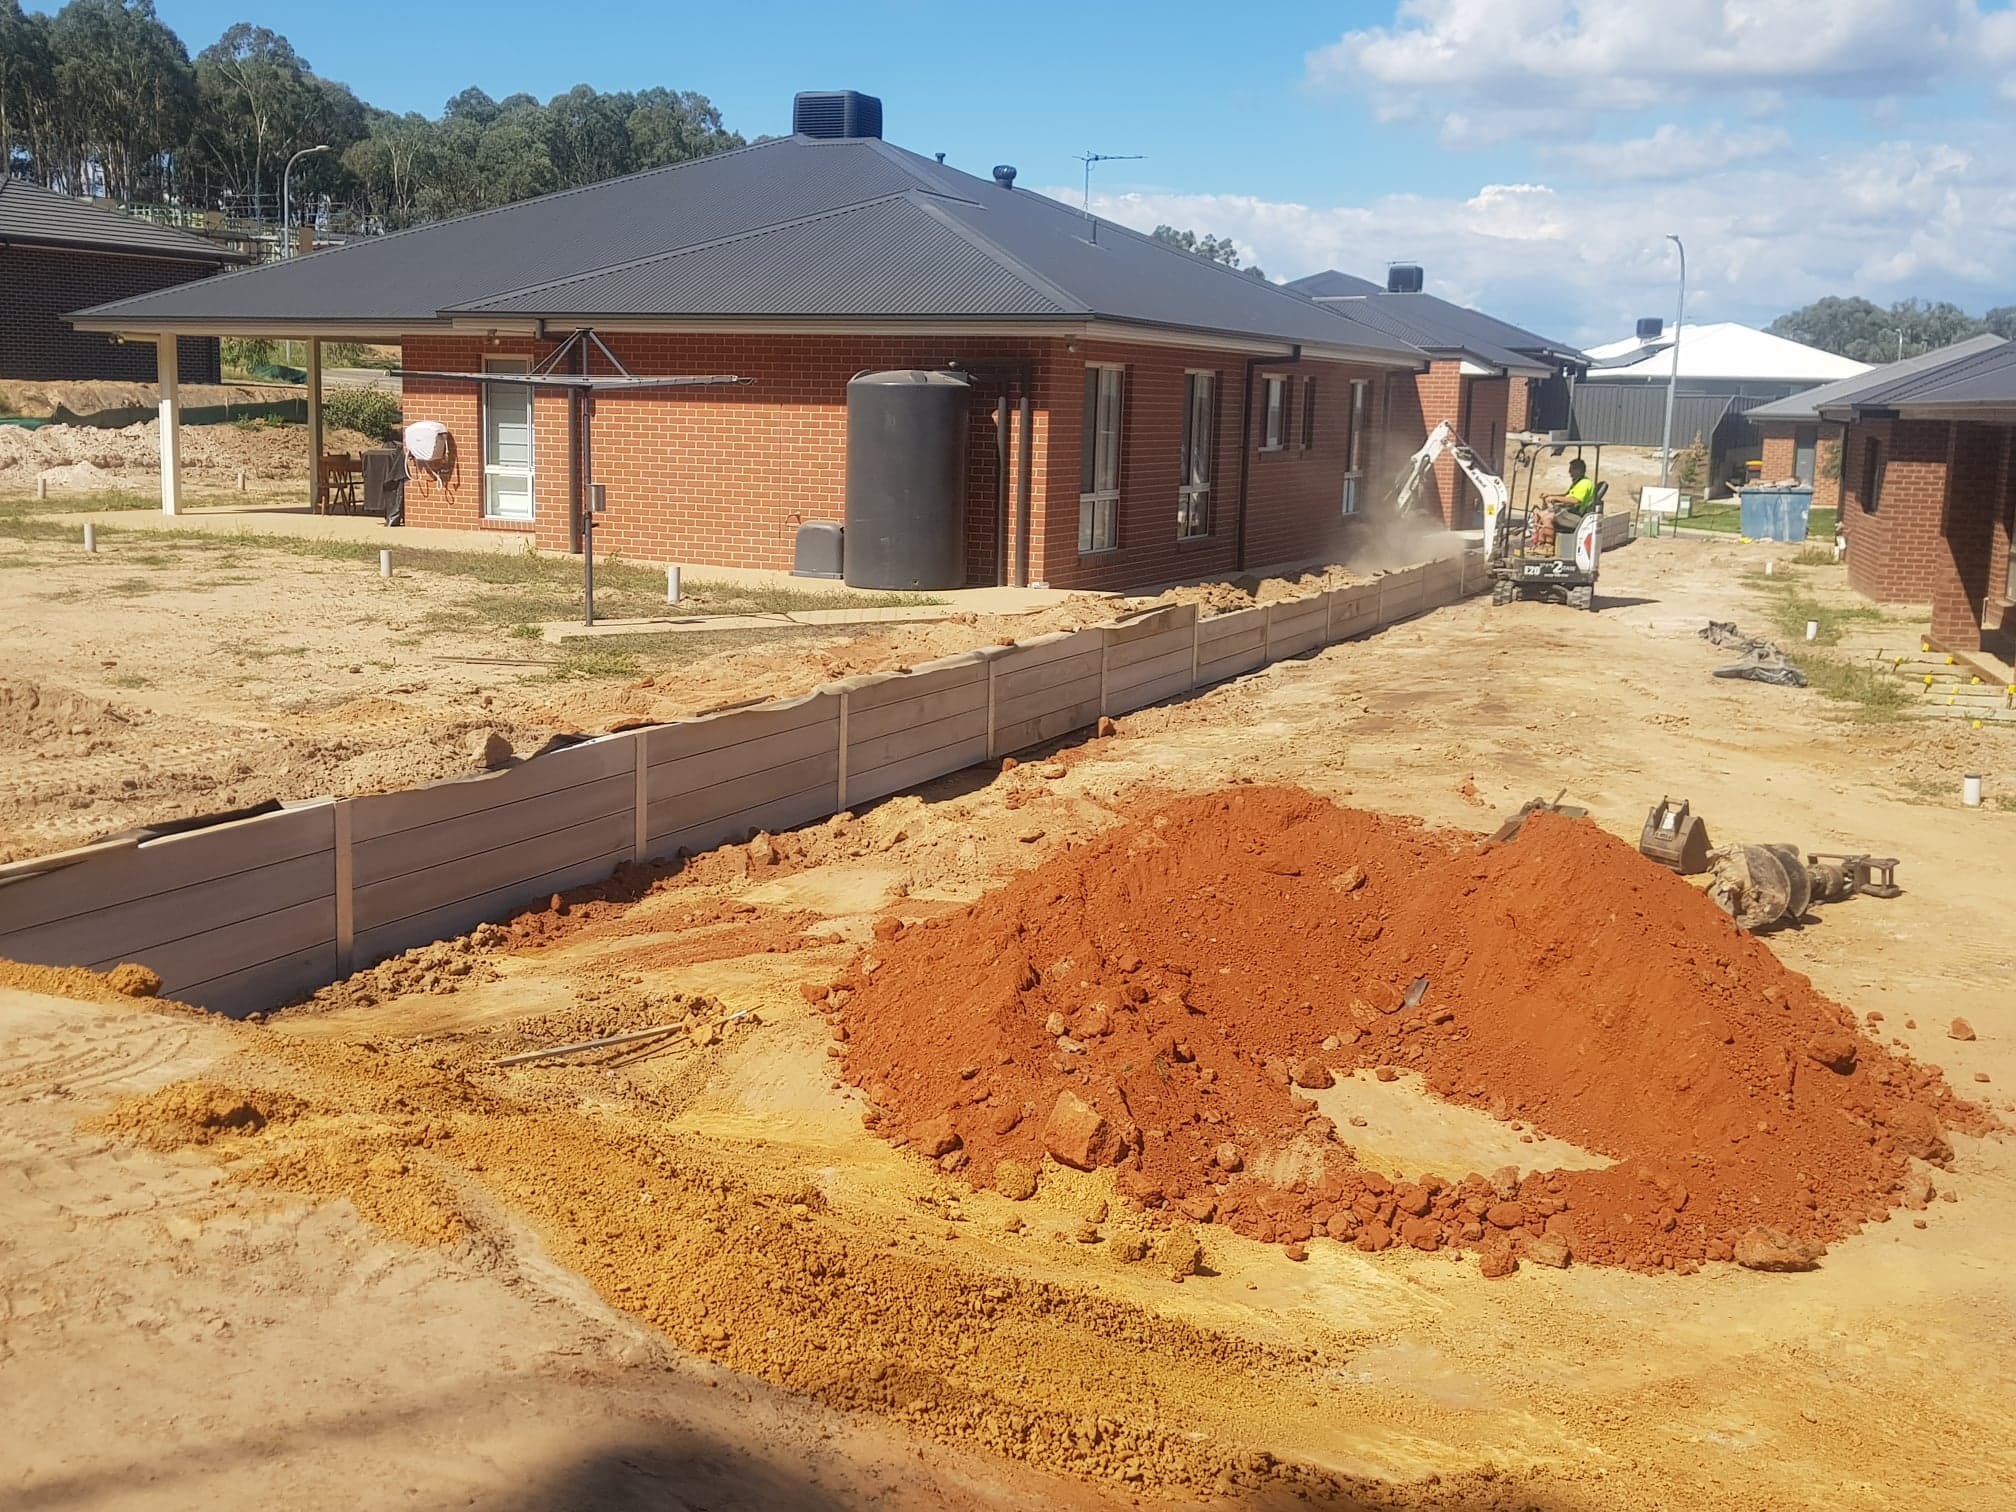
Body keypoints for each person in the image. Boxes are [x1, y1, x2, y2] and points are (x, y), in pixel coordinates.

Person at [1536, 458, 1596, 546]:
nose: (1569, 472)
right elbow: (1566, 495)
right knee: (1539, 514)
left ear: (1578, 470)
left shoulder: (1585, 483)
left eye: (1571, 469)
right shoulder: (1578, 482)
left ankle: (1548, 545)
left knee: (1547, 518)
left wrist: (1554, 498)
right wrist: (1550, 495)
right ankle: (1540, 542)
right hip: (1569, 512)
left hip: (1577, 516)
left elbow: (1575, 500)